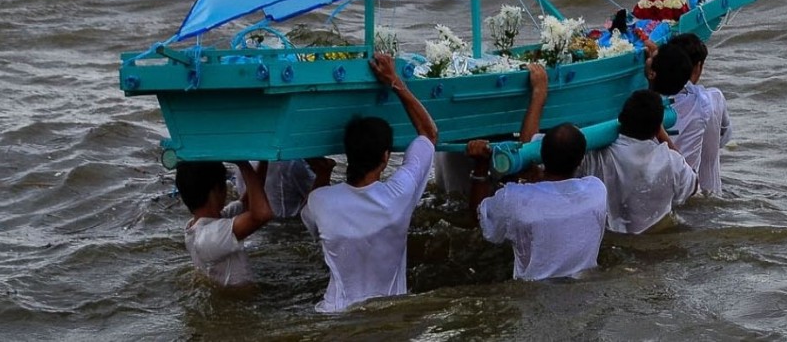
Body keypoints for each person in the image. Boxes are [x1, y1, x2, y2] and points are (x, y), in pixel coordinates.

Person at [301, 52, 439, 312]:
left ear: (347, 155)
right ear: (386, 157)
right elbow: (429, 134)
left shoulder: (320, 201)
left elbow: (311, 222)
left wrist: (322, 174)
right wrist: (395, 82)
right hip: (387, 313)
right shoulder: (398, 195)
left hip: (332, 314)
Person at [466, 63, 608, 280]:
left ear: (540, 154)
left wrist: (480, 166)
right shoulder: (597, 191)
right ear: (580, 160)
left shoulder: (515, 199)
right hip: (582, 288)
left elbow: (479, 217)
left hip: (534, 293)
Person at [579, 85, 697, 235]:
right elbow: (693, 185)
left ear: (621, 119)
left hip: (610, 236)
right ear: (657, 129)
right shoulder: (671, 161)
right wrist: (663, 137)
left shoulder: (598, 155)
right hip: (657, 236)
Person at [175, 159, 274, 286]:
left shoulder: (199, 226)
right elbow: (262, 214)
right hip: (243, 302)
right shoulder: (211, 236)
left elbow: (248, 203)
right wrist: (243, 164)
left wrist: (264, 158)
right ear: (216, 190)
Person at [663, 33, 731, 195]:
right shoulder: (714, 98)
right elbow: (724, 138)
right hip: (710, 191)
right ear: (698, 66)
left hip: (668, 193)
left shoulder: (656, 103)